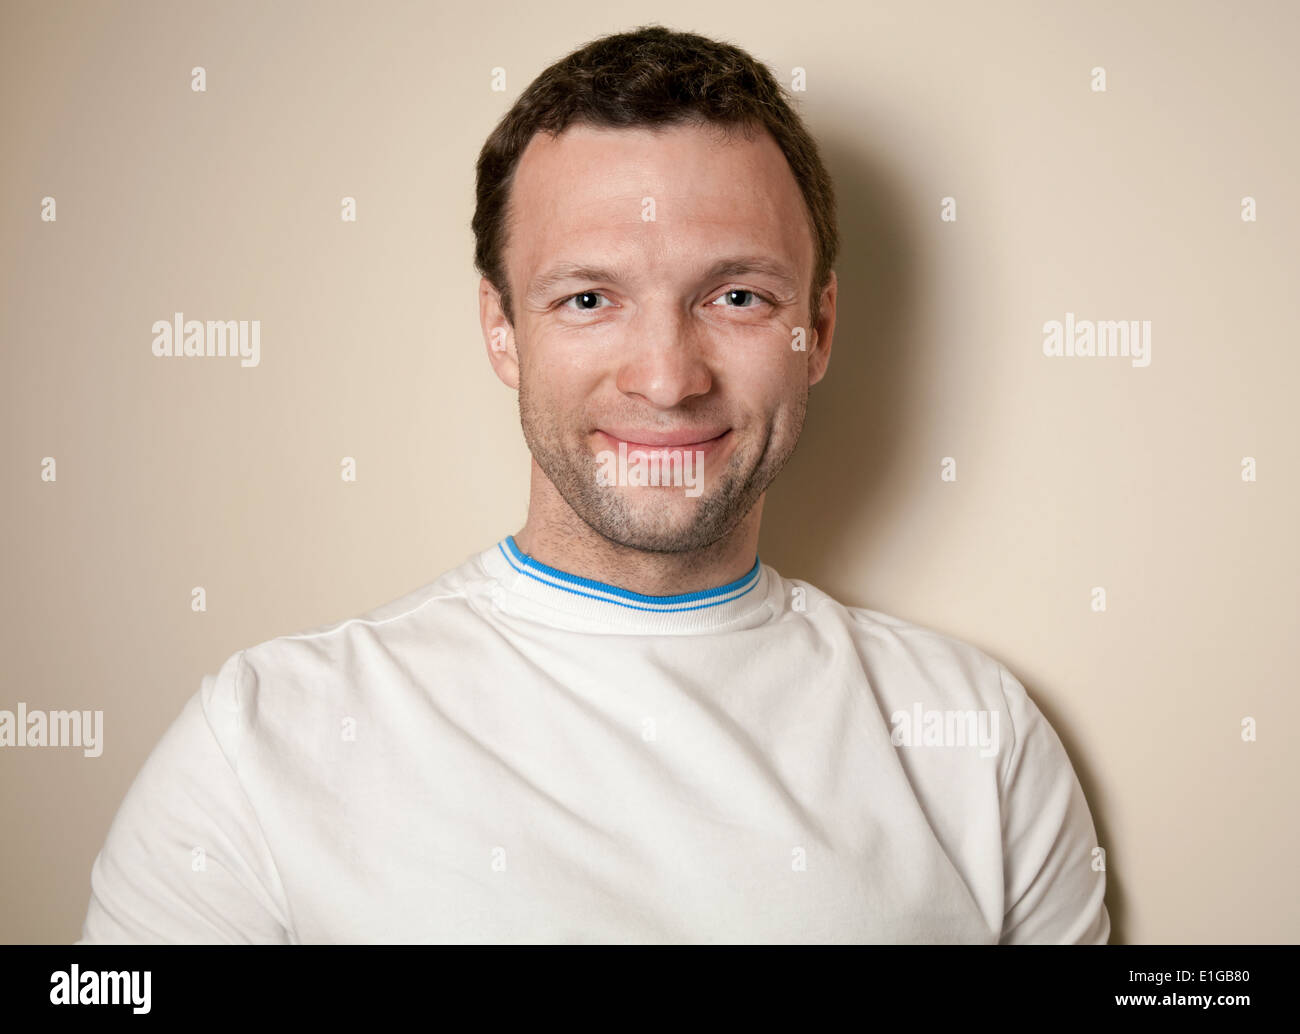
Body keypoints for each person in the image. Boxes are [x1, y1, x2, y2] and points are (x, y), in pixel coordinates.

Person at [76, 24, 1109, 944]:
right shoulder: (260, 746)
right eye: (587, 299)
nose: (666, 376)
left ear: (818, 329)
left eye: (737, 294)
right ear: (501, 330)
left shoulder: (975, 741)